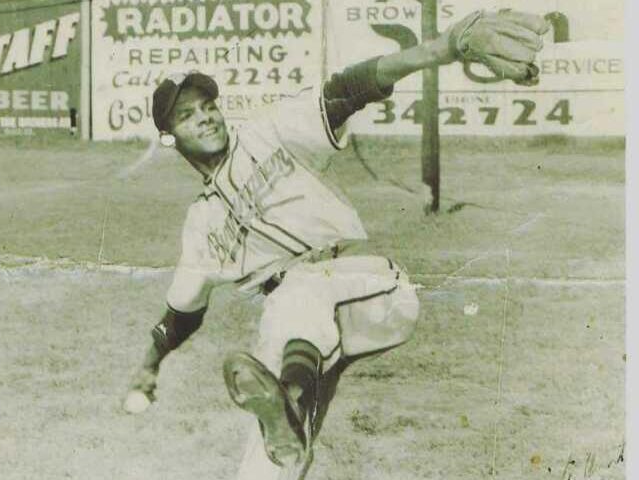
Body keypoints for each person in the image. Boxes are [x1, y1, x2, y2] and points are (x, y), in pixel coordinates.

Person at [122, 9, 549, 479]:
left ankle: (291, 399)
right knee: (267, 463)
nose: (205, 117)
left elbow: (349, 87)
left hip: (366, 288)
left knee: (297, 291)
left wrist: (443, 49)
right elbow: (182, 313)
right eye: (187, 115)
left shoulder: (270, 132)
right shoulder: (201, 223)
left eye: (208, 106)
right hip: (295, 335)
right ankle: (290, 411)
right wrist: (149, 367)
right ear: (169, 138)